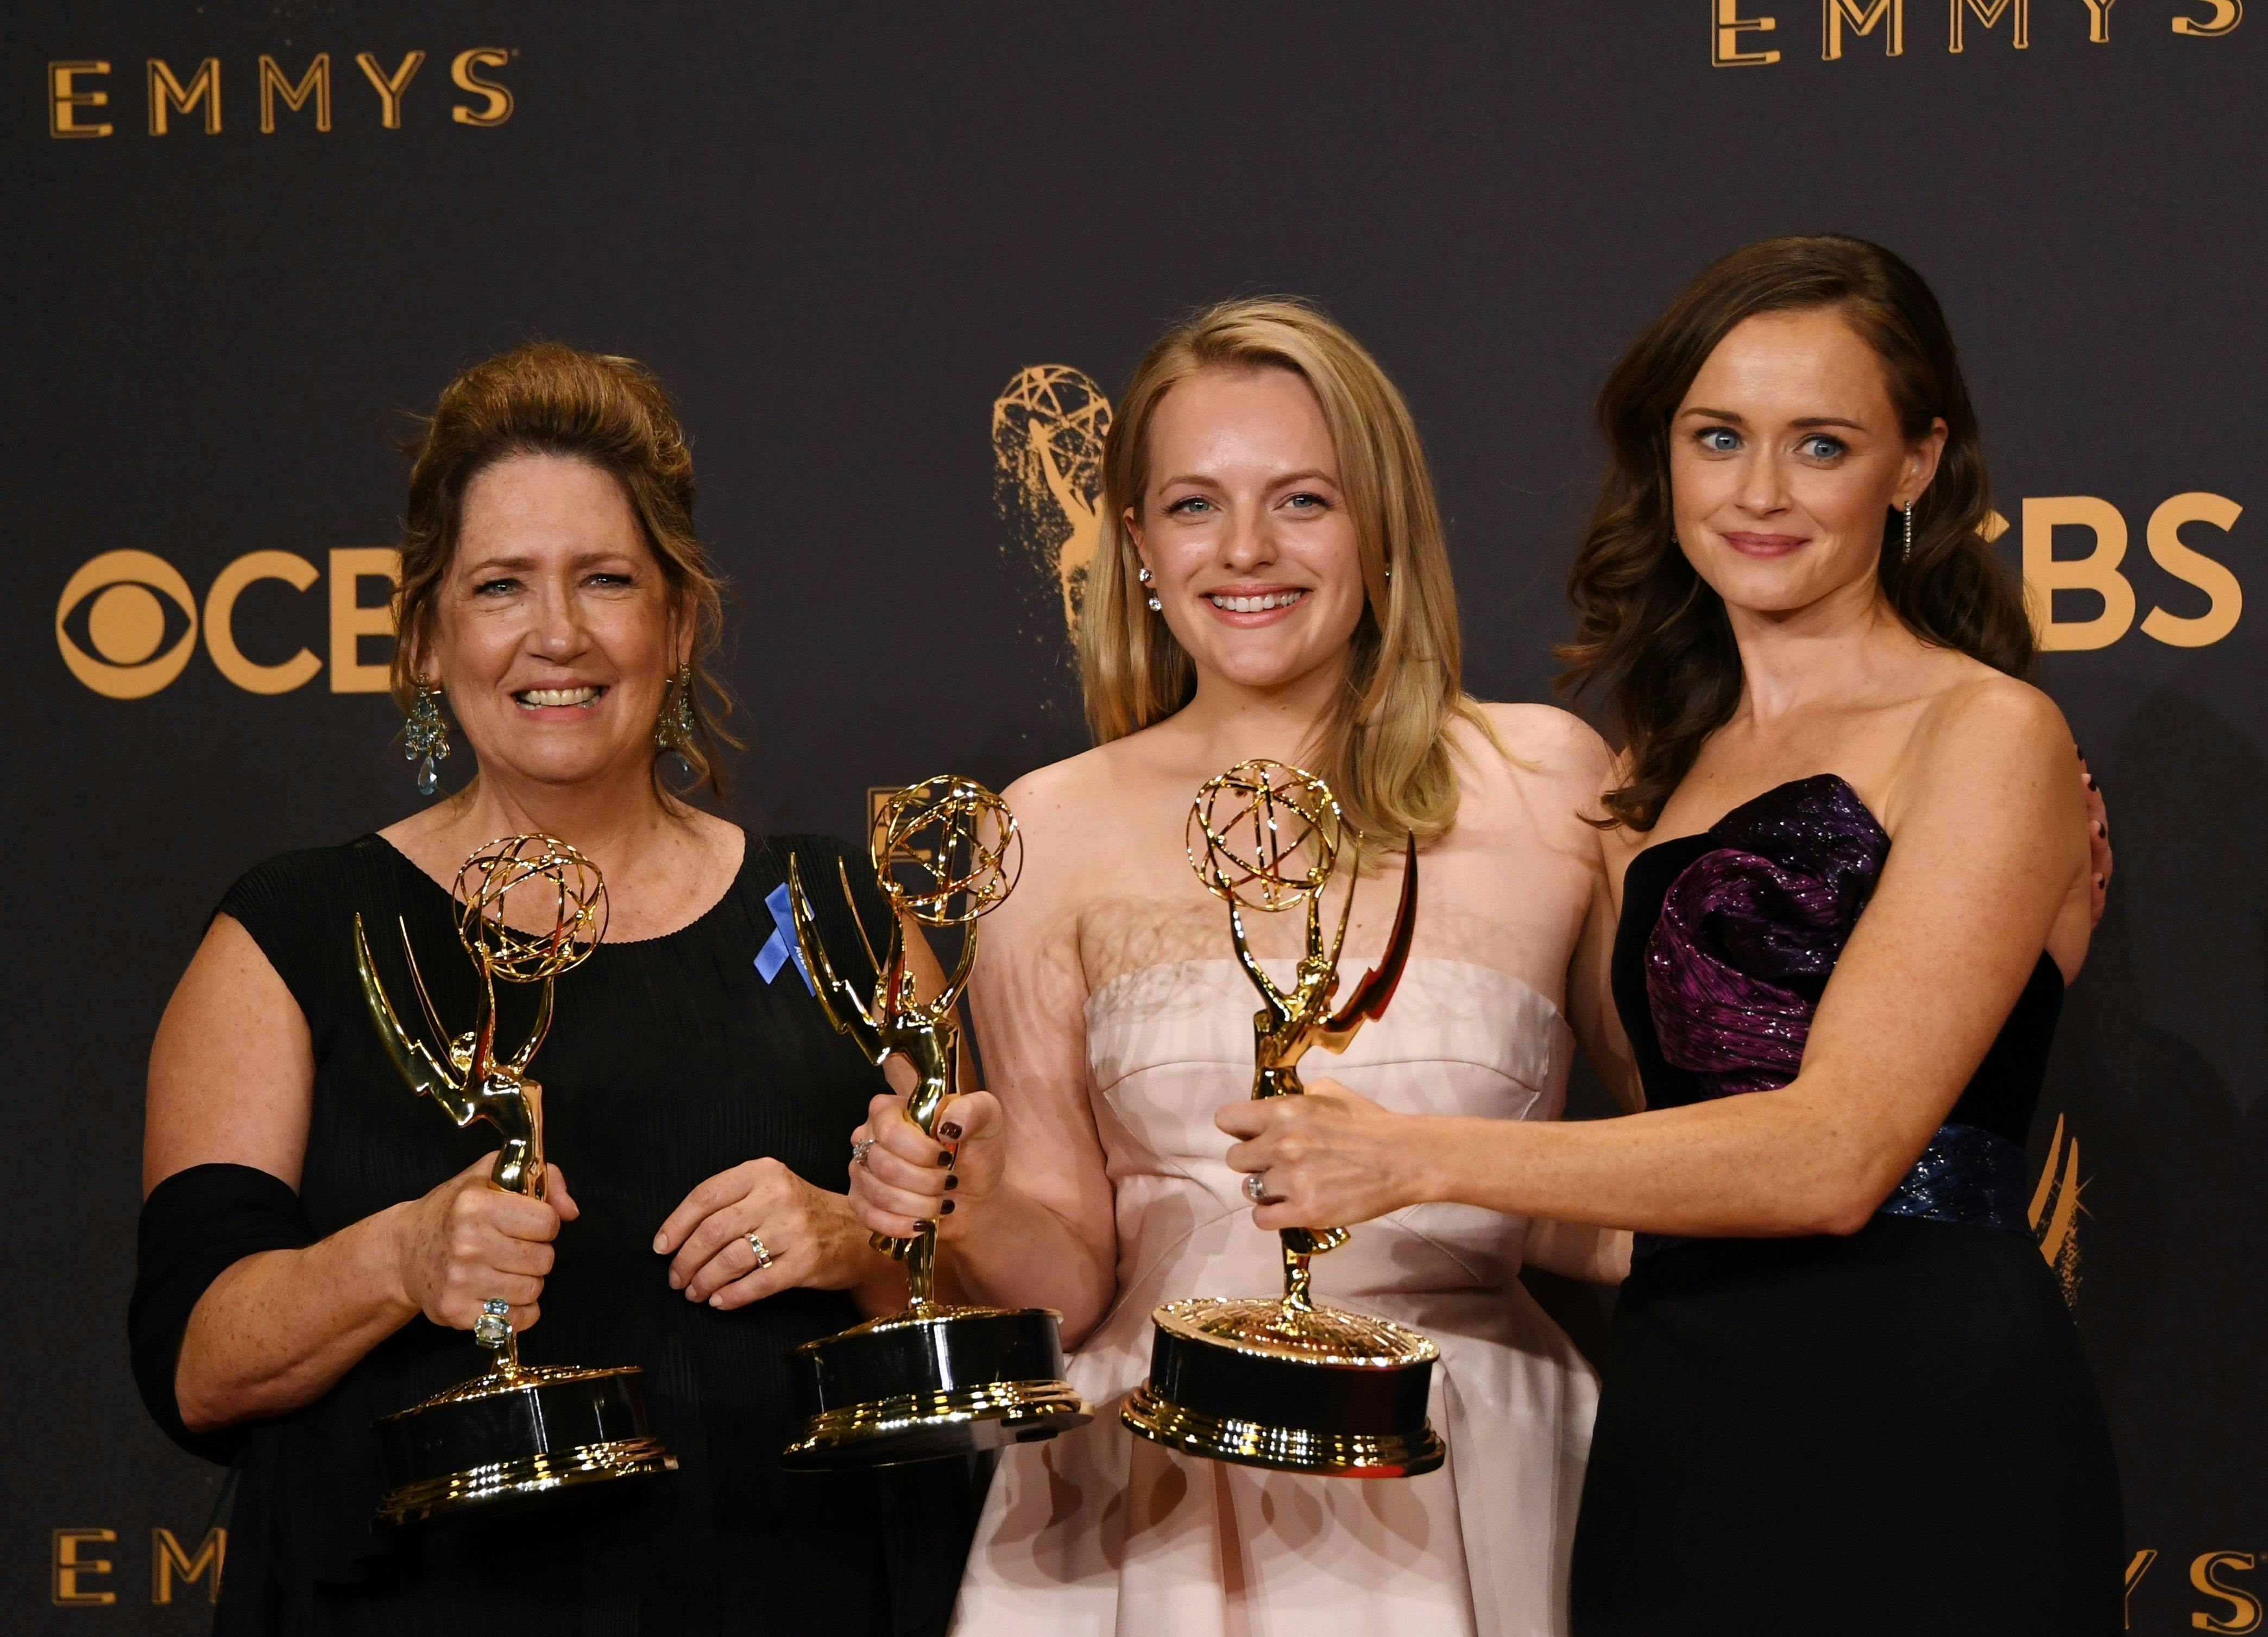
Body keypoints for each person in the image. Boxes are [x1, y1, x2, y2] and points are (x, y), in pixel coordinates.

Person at [1216, 238, 2124, 1634]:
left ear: (1918, 463)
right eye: (1718, 437)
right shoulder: (1647, 780)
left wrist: (1411, 1156)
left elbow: (1835, 1154)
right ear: (1665, 455)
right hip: (1684, 1421)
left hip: (1926, 1414)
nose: (1759, 492)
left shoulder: (1989, 731)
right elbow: (1662, 1154)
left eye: (1821, 444)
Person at [130, 343, 973, 1634]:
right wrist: (400, 1256)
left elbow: (981, 1325)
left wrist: (864, 1243)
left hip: (796, 1591)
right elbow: (196, 1363)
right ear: (427, 637)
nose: (558, 634)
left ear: (677, 625)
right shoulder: (293, 933)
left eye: (606, 580)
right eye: (501, 585)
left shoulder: (845, 912)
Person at [849, 298, 1629, 1636]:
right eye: (1195, 505)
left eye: (1303, 499)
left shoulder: (1546, 779)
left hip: (1468, 1467)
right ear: (1138, 543)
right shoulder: (1045, 824)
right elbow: (1070, 1274)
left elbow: (1662, 1181)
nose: (1247, 550)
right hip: (1144, 1493)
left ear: (1382, 525)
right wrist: (963, 1203)